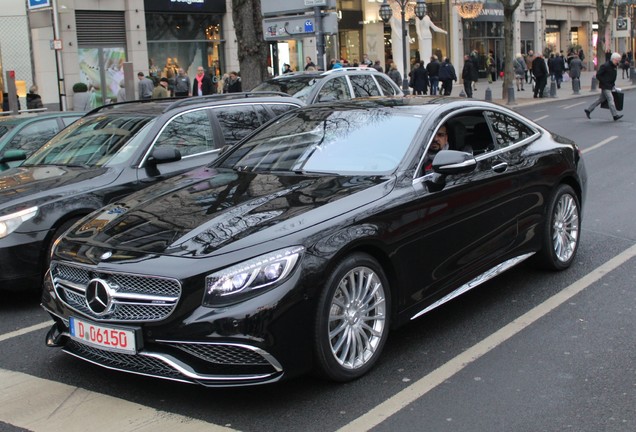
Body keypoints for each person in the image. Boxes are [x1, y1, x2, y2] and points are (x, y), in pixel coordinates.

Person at [584, 52, 623, 121]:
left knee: (601, 99)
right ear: (613, 59)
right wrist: (605, 82)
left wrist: (612, 85)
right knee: (611, 100)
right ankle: (615, 115)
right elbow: (598, 75)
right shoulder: (605, 66)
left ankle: (588, 110)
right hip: (605, 86)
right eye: (617, 60)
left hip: (609, 85)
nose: (618, 62)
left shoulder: (614, 66)